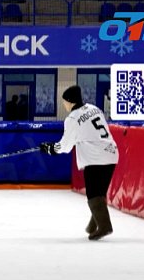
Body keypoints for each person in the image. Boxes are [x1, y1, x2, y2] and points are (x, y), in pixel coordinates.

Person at [40, 85, 119, 240]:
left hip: (95, 158)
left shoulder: (72, 118)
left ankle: (104, 226)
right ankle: (94, 225)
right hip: (111, 154)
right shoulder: (94, 109)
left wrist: (50, 148)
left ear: (70, 101)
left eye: (64, 102)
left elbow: (65, 147)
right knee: (100, 192)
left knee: (93, 194)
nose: (64, 104)